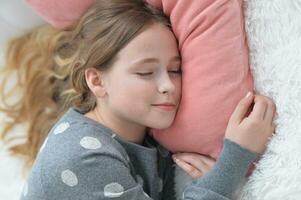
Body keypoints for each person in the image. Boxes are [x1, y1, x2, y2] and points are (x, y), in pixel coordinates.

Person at [0, 0, 276, 199]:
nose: (168, 86)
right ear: (96, 81)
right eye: (146, 72)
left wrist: (208, 184)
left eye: (175, 70)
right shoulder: (81, 156)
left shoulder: (141, 138)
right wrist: (236, 156)